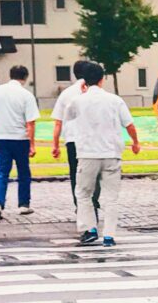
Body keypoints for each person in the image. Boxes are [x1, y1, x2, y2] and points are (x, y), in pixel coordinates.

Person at [64, 61, 140, 247]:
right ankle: (109, 235)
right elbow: (129, 124)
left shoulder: (77, 101)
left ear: (84, 81)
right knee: (111, 196)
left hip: (87, 153)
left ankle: (89, 228)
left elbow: (68, 118)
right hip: (111, 153)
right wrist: (135, 142)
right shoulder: (115, 100)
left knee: (83, 193)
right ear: (102, 79)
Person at [0, 65, 39, 220]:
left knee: (1, 171)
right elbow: (30, 123)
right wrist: (32, 144)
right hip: (20, 138)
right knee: (23, 172)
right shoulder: (26, 95)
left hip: (0, 136)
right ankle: (23, 204)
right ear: (25, 77)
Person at [51, 59, 100, 211]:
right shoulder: (96, 93)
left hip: (72, 139)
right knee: (94, 171)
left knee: (75, 173)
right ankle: (93, 199)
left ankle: (79, 203)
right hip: (91, 139)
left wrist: (55, 145)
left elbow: (58, 122)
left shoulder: (66, 94)